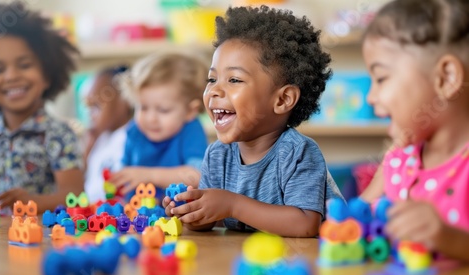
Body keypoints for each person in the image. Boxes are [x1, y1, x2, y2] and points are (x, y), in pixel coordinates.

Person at [163, 5, 343, 237]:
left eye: (234, 79)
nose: (214, 91)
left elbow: (306, 224)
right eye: (212, 78)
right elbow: (212, 220)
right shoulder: (218, 155)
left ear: (283, 99)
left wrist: (232, 205)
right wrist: (192, 211)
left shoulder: (298, 153)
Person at [360, 0, 469, 262]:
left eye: (381, 78)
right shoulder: (398, 159)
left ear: (447, 78)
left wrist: (451, 239)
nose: (370, 97)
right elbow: (358, 217)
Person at [0, 2, 83, 213]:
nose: (11, 76)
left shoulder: (58, 135)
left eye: (24, 65)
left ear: (47, 75)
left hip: (38, 238)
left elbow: (75, 195)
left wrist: (34, 202)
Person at [109, 52, 209, 202]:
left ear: (190, 111)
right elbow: (124, 171)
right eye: (143, 107)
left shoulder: (190, 130)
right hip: (136, 215)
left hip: (177, 217)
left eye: (163, 110)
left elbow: (196, 176)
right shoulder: (134, 130)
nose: (151, 118)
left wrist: (149, 175)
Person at [83, 66, 133, 203]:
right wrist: (88, 147)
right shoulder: (100, 137)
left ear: (125, 100)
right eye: (89, 108)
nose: (91, 115)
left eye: (96, 106)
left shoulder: (131, 136)